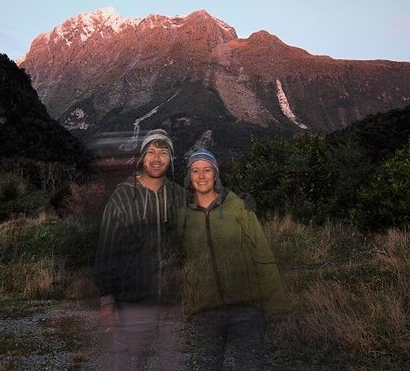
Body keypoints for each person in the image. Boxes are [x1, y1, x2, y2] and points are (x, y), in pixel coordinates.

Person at [183, 148, 289, 370]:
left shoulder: (238, 207)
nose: (201, 176)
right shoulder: (183, 216)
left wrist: (275, 306)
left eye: (207, 169)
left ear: (216, 174)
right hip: (206, 312)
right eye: (195, 170)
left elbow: (262, 254)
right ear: (189, 176)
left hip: (246, 308)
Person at [93, 129, 187, 370]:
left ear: (171, 159)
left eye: (163, 153)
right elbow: (106, 249)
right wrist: (107, 298)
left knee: (170, 362)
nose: (157, 159)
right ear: (142, 157)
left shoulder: (179, 197)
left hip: (170, 302)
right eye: (151, 153)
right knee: (128, 362)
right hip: (131, 303)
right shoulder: (123, 197)